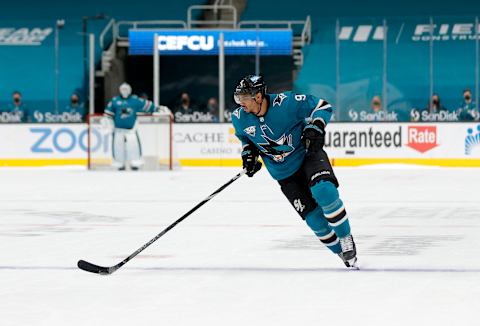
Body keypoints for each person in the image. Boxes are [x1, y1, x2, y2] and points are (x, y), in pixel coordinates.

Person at [231, 75, 358, 268]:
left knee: (324, 191)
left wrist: (316, 127)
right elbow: (246, 139)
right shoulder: (239, 118)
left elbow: (323, 106)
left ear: (258, 96)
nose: (241, 103)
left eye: (244, 98)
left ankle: (346, 238)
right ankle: (341, 252)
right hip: (284, 174)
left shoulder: (287, 103)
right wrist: (248, 155)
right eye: (238, 98)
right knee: (315, 221)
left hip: (308, 155)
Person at [105, 82, 158, 171]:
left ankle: (135, 163)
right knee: (118, 147)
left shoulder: (135, 100)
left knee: (134, 146)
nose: (124, 91)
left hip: (131, 130)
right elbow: (108, 114)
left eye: (126, 89)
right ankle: (119, 163)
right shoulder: (114, 101)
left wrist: (156, 108)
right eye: (123, 89)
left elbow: (147, 105)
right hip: (118, 130)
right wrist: (109, 125)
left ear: (130, 90)